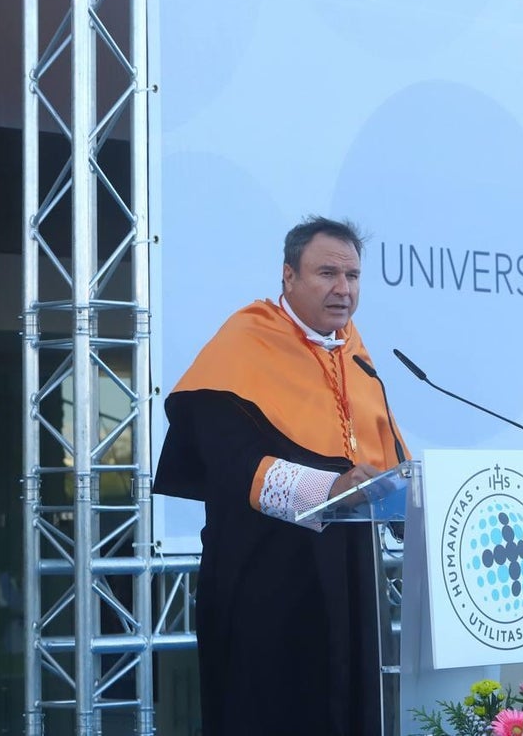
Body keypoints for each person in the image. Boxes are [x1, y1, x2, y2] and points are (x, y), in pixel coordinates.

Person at [153, 216, 408, 735]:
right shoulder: (244, 343)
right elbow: (231, 464)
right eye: (327, 273)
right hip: (265, 581)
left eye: (353, 276)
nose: (343, 289)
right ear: (288, 276)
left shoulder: (354, 355)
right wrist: (328, 489)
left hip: (350, 575)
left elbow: (386, 457)